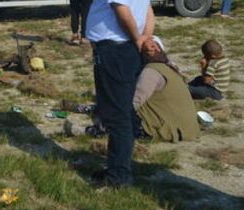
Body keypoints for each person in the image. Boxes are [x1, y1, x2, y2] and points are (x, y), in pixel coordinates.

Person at [85, 0, 155, 188]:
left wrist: (138, 38)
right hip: (126, 47)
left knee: (116, 115)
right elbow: (147, 10)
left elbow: (120, 8)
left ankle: (119, 176)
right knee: (122, 111)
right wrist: (144, 37)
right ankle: (118, 167)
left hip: (115, 48)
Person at [67, 37, 198, 143]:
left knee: (122, 117)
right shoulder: (169, 68)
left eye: (154, 46)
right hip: (186, 127)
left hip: (164, 128)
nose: (153, 47)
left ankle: (88, 130)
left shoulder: (152, 71)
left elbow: (135, 102)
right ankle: (92, 111)